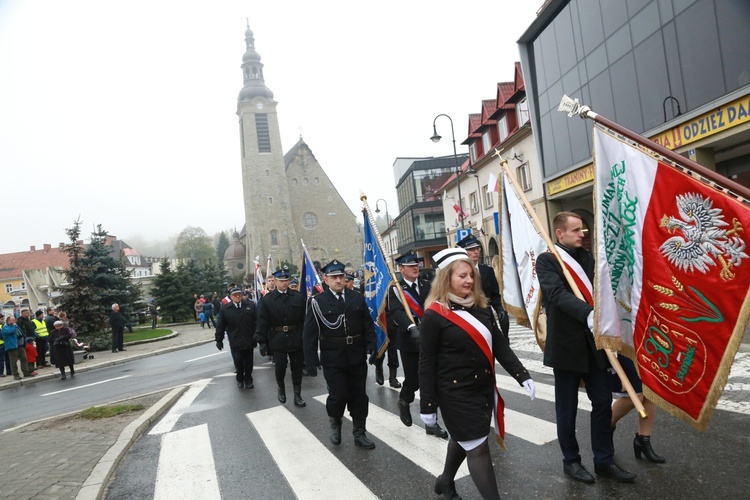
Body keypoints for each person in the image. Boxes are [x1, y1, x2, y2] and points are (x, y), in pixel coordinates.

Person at [419, 247, 535, 500]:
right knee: (478, 447)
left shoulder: (482, 308)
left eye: (471, 275)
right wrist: (427, 405)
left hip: (481, 389)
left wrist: (522, 374)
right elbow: (426, 362)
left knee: (467, 438)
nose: (469, 281)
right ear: (446, 278)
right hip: (454, 392)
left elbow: (500, 345)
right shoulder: (434, 315)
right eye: (462, 276)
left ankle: (445, 481)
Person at [537, 211, 635, 483]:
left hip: (595, 345)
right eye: (577, 230)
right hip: (567, 346)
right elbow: (556, 294)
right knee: (566, 410)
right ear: (560, 233)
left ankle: (604, 459)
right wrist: (588, 313)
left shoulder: (587, 257)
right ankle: (571, 461)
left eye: (583, 230)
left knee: (603, 402)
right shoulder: (548, 260)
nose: (583, 234)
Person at [303, 259, 377, 449]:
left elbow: (367, 324)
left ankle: (359, 432)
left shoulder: (356, 298)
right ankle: (335, 421)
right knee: (338, 395)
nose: (338, 280)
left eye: (341, 276)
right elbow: (310, 332)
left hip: (356, 355)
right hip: (333, 357)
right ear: (325, 279)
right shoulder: (317, 302)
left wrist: (373, 347)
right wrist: (310, 359)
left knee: (359, 396)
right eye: (333, 277)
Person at [389, 251, 449, 438]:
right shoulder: (395, 289)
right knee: (414, 380)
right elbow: (397, 313)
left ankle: (432, 423)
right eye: (410, 265)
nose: (415, 267)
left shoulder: (427, 285)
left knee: (431, 381)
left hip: (431, 338)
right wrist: (410, 327)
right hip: (410, 341)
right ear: (401, 269)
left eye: (416, 264)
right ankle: (405, 400)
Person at [255, 267, 307, 407]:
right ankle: (281, 387)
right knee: (280, 366)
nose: (284, 283)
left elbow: (304, 319)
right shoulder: (268, 300)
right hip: (277, 338)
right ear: (275, 282)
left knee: (297, 368)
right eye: (281, 280)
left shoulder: (297, 297)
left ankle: (297, 394)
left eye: (286, 280)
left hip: (295, 336)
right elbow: (262, 321)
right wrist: (262, 341)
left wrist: (305, 337)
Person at [611, 356, 665, 463]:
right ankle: (604, 428)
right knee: (634, 397)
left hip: (645, 344)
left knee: (650, 393)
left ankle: (643, 440)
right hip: (623, 345)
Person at [456, 234, 510, 336]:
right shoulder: (458, 273)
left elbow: (495, 295)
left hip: (486, 314)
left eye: (477, 249)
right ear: (464, 252)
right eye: (471, 249)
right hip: (468, 315)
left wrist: (500, 309)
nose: (476, 252)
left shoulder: (487, 271)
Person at [215, 286, 257, 388]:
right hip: (235, 341)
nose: (237, 297)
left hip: (248, 339)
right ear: (231, 296)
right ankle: (239, 377)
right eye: (235, 295)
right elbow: (221, 326)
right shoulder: (225, 309)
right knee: (238, 361)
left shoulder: (250, 306)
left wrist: (258, 335)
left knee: (249, 362)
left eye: (239, 294)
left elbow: (256, 322)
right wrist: (219, 340)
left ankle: (248, 379)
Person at [2, 316, 35, 380]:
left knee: (24, 359)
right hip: (12, 347)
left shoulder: (15, 326)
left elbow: (21, 333)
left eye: (15, 320)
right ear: (8, 321)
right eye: (13, 320)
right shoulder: (5, 328)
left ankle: (26, 372)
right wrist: (14, 325)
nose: (15, 321)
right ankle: (16, 375)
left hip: (20, 345)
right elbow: (10, 332)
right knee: (13, 361)